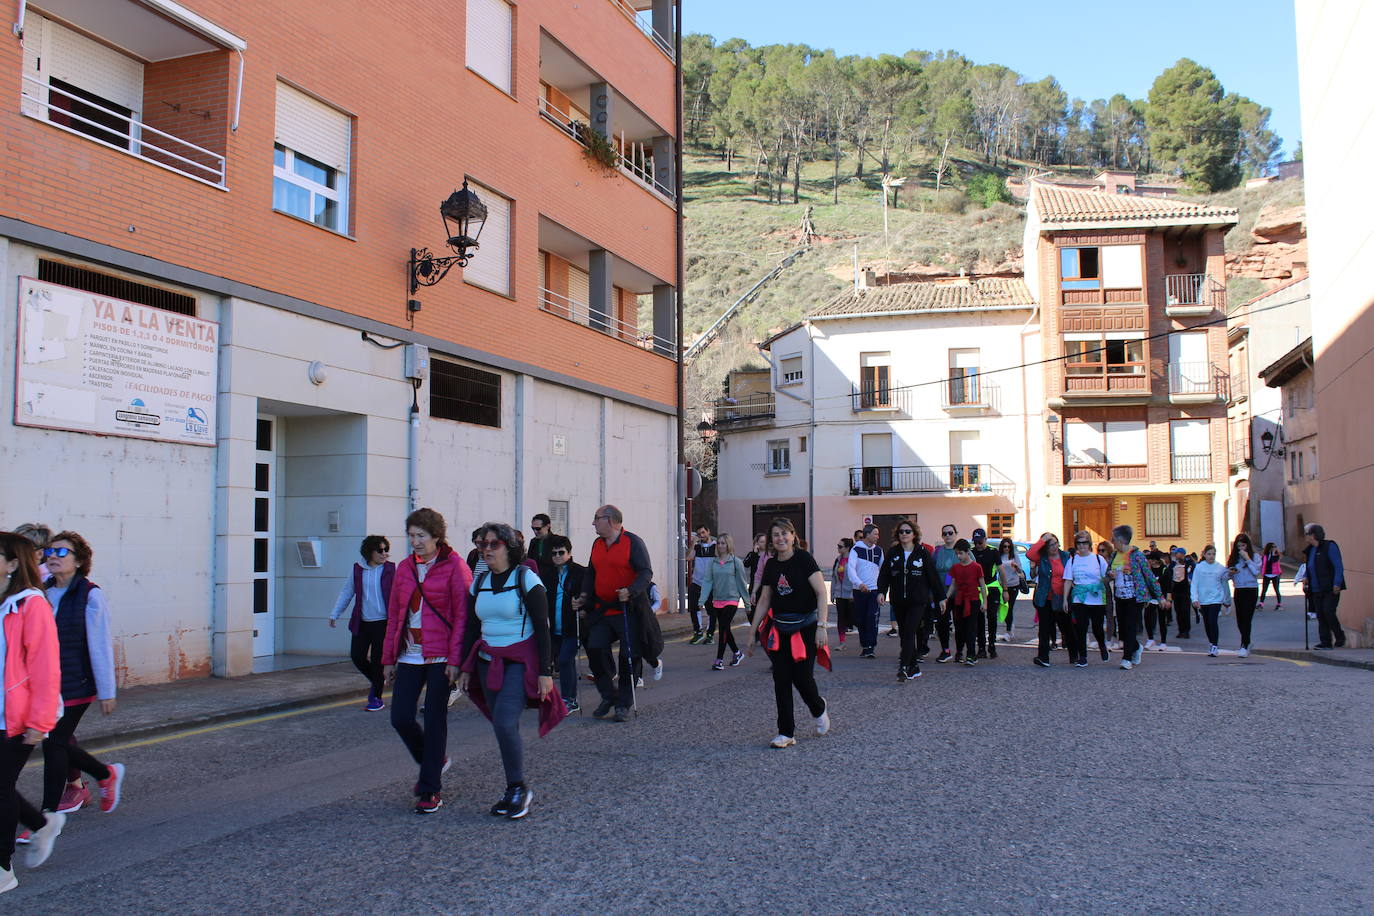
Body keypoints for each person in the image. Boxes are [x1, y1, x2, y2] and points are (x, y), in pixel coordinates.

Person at [458, 522, 561, 820]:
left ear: (508, 548)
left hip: (519, 663)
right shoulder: (480, 583)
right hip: (487, 662)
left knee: (504, 722)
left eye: (493, 544)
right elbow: (472, 628)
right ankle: (512, 788)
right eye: (481, 544)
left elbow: (543, 628)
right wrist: (466, 666)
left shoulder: (526, 578)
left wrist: (545, 672)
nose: (485, 550)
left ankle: (518, 787)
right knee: (502, 725)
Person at [382, 508, 472, 815]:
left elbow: (463, 617)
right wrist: (388, 659)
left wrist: (456, 659)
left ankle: (429, 788)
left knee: (435, 719)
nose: (415, 542)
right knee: (401, 717)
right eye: (411, 536)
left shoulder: (456, 567)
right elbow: (395, 615)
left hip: (441, 655)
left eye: (421, 536)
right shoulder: (405, 568)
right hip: (409, 653)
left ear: (436, 537)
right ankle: (435, 762)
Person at [41, 531, 124, 818]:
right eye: (49, 552)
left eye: (62, 552)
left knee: (54, 744)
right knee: (56, 741)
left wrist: (107, 691)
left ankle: (46, 817)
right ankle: (104, 774)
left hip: (77, 682)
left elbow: (99, 644)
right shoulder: (42, 590)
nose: (52, 556)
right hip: (47, 683)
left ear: (78, 561)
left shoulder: (90, 594)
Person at [0, 532, 66, 892]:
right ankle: (41, 824)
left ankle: (2, 868)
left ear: (13, 564)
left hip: (17, 717)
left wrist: (40, 723)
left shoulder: (30, 605)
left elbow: (45, 668)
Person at [749, 518, 829, 748]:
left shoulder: (804, 559)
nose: (780, 538)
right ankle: (786, 732)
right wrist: (752, 632)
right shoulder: (772, 565)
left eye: (785, 533)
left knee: (802, 678)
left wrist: (822, 627)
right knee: (781, 679)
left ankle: (818, 707)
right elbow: (764, 600)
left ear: (793, 536)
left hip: (806, 627)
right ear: (771, 540)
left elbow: (821, 594)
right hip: (780, 627)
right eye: (775, 534)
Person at [578, 505, 654, 722]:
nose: (593, 523)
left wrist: (630, 591)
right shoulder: (597, 544)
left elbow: (645, 572)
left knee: (628, 656)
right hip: (603, 608)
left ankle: (623, 703)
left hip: (626, 608)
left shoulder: (633, 542)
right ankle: (608, 695)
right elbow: (591, 572)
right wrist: (584, 595)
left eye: (596, 519)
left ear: (610, 520)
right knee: (594, 648)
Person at [329, 535, 395, 711]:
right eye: (380, 550)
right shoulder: (358, 569)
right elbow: (347, 592)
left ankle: (376, 698)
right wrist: (335, 613)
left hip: (384, 623)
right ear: (369, 552)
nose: (384, 554)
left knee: (377, 661)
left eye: (386, 550)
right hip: (362, 622)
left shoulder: (391, 569)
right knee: (357, 657)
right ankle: (378, 680)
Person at [877, 521, 941, 680]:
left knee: (909, 632)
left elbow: (933, 576)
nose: (904, 534)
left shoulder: (922, 552)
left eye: (907, 531)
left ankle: (903, 667)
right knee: (904, 633)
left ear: (914, 534)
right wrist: (881, 592)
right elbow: (885, 574)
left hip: (917, 601)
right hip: (899, 601)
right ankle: (914, 667)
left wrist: (941, 598)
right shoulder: (893, 552)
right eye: (901, 532)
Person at [1108, 525, 1162, 670]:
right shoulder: (1114, 555)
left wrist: (1160, 596)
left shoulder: (1137, 556)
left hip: (1135, 597)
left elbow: (1149, 576)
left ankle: (1126, 659)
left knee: (1131, 626)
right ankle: (1136, 647)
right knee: (1123, 629)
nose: (1112, 542)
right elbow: (1108, 572)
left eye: (1113, 539)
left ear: (1121, 540)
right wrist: (1110, 575)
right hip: (1120, 596)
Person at [541, 535, 584, 712]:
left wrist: (582, 603)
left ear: (569, 553)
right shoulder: (548, 574)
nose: (558, 556)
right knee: (557, 662)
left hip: (573, 627)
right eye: (554, 553)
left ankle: (569, 700)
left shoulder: (580, 572)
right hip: (554, 628)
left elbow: (588, 595)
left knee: (566, 660)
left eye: (561, 552)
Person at [698, 533, 750, 670]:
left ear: (729, 545)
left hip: (732, 599)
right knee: (725, 628)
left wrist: (747, 603)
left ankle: (719, 660)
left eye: (723, 543)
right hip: (717, 600)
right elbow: (708, 581)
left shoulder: (735, 562)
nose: (721, 546)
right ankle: (737, 653)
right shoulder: (713, 563)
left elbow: (742, 583)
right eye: (719, 543)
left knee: (722, 629)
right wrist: (702, 599)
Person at [1063, 531, 1109, 667]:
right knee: (1081, 629)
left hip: (1096, 598)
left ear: (1089, 544)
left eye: (1084, 543)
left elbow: (1106, 577)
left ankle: (1102, 646)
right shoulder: (1072, 561)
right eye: (1079, 543)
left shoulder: (1098, 559)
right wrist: (1065, 599)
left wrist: (1109, 577)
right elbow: (1067, 580)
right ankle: (1083, 656)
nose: (1082, 546)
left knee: (1097, 628)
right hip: (1079, 597)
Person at [1299, 524, 1346, 649]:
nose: (1305, 536)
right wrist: (1306, 577)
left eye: (1307, 533)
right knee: (1320, 614)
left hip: (1330, 587)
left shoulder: (1330, 546)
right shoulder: (1310, 550)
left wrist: (1337, 583)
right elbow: (1310, 567)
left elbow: (1338, 566)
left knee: (1328, 611)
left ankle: (1339, 636)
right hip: (1316, 588)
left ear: (1313, 535)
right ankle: (1325, 642)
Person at [1028, 532, 1068, 668]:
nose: (1054, 547)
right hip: (1045, 598)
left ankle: (1075, 655)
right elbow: (1030, 554)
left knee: (1066, 628)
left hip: (1062, 597)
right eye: (1050, 544)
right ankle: (1043, 657)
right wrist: (1043, 539)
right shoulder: (1042, 557)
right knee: (1044, 629)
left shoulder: (1066, 556)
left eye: (1055, 543)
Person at [845, 525, 884, 658]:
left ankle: (870, 647)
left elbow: (883, 570)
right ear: (867, 534)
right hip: (859, 590)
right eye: (875, 534)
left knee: (872, 617)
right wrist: (859, 583)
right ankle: (865, 645)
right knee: (861, 618)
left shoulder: (879, 550)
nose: (877, 537)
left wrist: (882, 590)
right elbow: (850, 568)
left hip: (874, 591)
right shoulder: (856, 549)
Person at [946, 539, 986, 667]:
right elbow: (953, 584)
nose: (958, 556)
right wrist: (946, 598)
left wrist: (985, 602)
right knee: (959, 627)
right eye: (957, 554)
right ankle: (959, 652)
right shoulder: (955, 567)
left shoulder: (976, 567)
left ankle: (971, 654)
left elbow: (982, 585)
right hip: (959, 600)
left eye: (961, 553)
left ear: (968, 552)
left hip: (973, 600)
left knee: (971, 628)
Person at [923, 524, 960, 663]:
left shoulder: (962, 550)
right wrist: (931, 593)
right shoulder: (937, 552)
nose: (948, 536)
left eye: (950, 533)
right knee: (942, 624)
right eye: (945, 533)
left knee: (960, 623)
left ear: (956, 534)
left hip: (959, 594)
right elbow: (931, 573)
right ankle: (945, 650)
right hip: (941, 595)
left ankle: (961, 651)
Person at [1190, 545, 1232, 657]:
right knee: (1207, 622)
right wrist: (1194, 598)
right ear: (1204, 554)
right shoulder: (1199, 567)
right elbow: (1194, 583)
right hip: (1203, 599)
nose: (1211, 556)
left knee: (1213, 621)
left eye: (1213, 554)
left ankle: (1215, 645)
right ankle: (1211, 642)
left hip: (1216, 599)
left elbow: (1226, 577)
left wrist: (1231, 573)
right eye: (1209, 554)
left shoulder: (1219, 567)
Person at [1227, 534, 1261, 658]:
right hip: (1239, 589)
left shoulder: (1255, 557)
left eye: (1243, 545)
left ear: (1248, 545)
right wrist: (1230, 573)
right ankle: (1246, 640)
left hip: (1251, 589)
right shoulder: (1234, 558)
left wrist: (1247, 558)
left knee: (1247, 617)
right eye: (1239, 546)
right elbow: (1227, 575)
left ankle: (1244, 644)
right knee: (1240, 619)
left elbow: (1256, 571)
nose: (1241, 548)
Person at [970, 528, 1000, 659]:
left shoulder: (993, 551)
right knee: (979, 619)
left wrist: (1005, 590)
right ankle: (981, 647)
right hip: (977, 589)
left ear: (985, 540)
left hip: (991, 588)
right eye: (975, 542)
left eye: (980, 542)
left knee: (992, 617)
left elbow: (1001, 571)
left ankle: (992, 644)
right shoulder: (971, 553)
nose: (978, 545)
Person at [687, 526, 716, 644]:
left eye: (703, 532)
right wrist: (693, 543)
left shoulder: (716, 546)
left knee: (711, 610)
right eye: (699, 534)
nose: (702, 535)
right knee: (694, 608)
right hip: (697, 582)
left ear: (708, 531)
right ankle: (698, 632)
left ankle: (710, 634)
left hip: (711, 584)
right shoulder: (697, 547)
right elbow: (688, 557)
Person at [1162, 547, 1195, 640]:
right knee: (1178, 611)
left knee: (1185, 611)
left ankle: (1186, 631)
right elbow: (1169, 576)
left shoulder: (1188, 564)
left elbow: (1192, 573)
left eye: (1178, 553)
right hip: (1176, 591)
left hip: (1185, 590)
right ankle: (1181, 630)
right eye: (1175, 554)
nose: (1176, 555)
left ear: (1182, 554)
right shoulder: (1173, 565)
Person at [996, 537, 1024, 643]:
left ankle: (1008, 631)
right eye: (1004, 546)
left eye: (1008, 546)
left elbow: (1020, 570)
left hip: (1013, 584)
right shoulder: (999, 556)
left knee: (1009, 607)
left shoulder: (1014, 556)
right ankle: (1009, 625)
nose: (1006, 548)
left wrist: (1016, 566)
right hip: (1002, 584)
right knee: (1002, 607)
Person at [1142, 549, 1170, 652]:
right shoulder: (1148, 570)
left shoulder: (1164, 570)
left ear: (1155, 560)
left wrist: (1168, 600)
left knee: (1162, 620)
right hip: (1150, 598)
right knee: (1147, 618)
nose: (1149, 561)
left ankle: (1163, 642)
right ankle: (1150, 639)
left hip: (1161, 598)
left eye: (1151, 559)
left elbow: (1169, 586)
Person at [830, 538, 855, 650]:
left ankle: (866, 641)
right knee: (841, 619)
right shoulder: (838, 559)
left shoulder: (853, 560)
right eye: (837, 546)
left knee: (854, 618)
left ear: (847, 548)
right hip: (839, 594)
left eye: (840, 546)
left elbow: (855, 579)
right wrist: (832, 593)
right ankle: (842, 643)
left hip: (850, 595)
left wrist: (853, 593)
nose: (838, 548)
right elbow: (834, 577)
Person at [743, 533, 768, 625]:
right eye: (761, 542)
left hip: (766, 586)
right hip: (754, 586)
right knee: (751, 611)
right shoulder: (752, 554)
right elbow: (745, 564)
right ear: (756, 543)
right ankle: (755, 628)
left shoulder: (770, 555)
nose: (764, 544)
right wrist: (754, 553)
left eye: (765, 541)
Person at [527, 514, 555, 579]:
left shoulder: (556, 541)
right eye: (533, 528)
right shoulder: (533, 542)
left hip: (552, 580)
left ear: (547, 526)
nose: (535, 531)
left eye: (538, 528)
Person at [1259, 542, 1284, 609]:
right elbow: (1263, 564)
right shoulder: (1265, 556)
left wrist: (1273, 553)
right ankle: (1261, 603)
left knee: (1276, 589)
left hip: (1275, 574)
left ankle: (1279, 604)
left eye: (1275, 547)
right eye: (1272, 547)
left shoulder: (1277, 556)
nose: (1274, 548)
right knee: (1264, 589)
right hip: (1267, 574)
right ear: (1269, 548)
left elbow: (1272, 561)